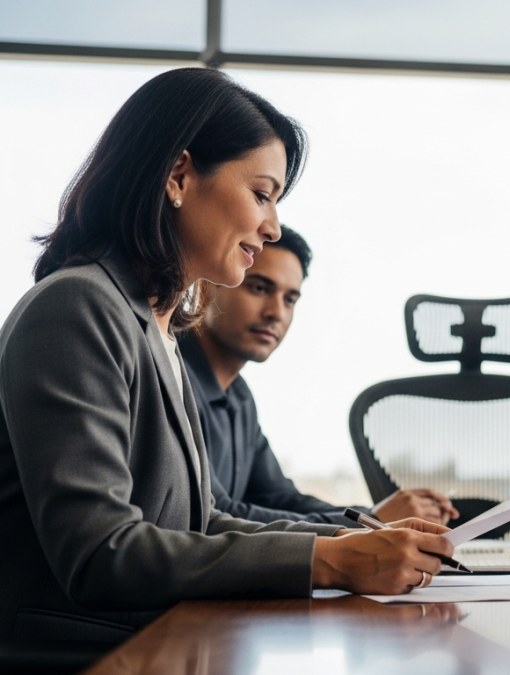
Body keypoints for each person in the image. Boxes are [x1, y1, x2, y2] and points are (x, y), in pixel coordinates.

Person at [0, 68, 452, 645]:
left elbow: (202, 519)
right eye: (261, 194)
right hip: (81, 653)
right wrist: (329, 561)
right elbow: (101, 551)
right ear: (179, 175)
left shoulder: (156, 325)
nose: (273, 226)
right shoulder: (78, 306)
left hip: (162, 641)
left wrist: (349, 544)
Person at [183, 224, 458, 526]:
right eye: (260, 288)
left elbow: (280, 497)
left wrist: (372, 519)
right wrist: (371, 520)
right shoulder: (174, 378)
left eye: (290, 300)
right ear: (208, 286)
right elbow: (217, 515)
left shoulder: (238, 395)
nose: (276, 312)